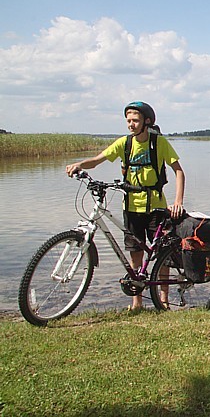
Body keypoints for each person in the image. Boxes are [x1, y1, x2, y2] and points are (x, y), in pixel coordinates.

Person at [65, 101, 185, 311]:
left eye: (135, 120)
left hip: (156, 207)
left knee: (162, 257)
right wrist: (79, 165)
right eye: (128, 120)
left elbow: (178, 171)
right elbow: (97, 160)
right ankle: (136, 303)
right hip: (131, 208)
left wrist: (178, 201)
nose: (130, 124)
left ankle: (164, 301)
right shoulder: (124, 144)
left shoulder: (159, 143)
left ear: (146, 122)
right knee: (135, 254)